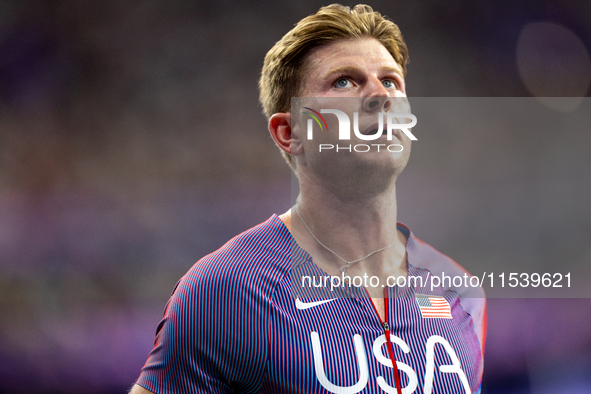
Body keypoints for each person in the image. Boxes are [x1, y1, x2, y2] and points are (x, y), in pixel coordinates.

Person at [130, 4, 486, 394]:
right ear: (289, 132)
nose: (380, 96)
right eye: (344, 82)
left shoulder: (459, 290)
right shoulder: (226, 290)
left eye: (391, 81)